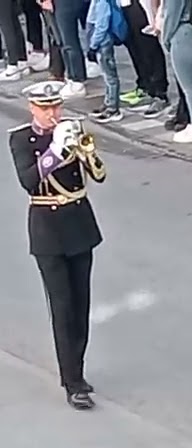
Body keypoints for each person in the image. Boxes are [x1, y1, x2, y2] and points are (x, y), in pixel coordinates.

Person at [8, 81, 106, 411]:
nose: (52, 113)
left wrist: (86, 151)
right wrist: (55, 152)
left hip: (79, 222)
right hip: (48, 229)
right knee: (62, 307)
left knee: (81, 304)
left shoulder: (72, 132)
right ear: (33, 108)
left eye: (56, 107)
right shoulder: (21, 138)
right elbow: (29, 181)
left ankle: (76, 368)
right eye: (45, 108)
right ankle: (73, 380)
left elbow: (99, 175)